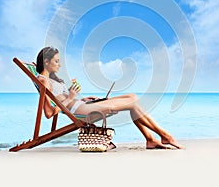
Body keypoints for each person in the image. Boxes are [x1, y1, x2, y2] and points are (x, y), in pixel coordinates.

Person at [36, 46, 184, 150]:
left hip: (81, 104)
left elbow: (61, 98)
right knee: (132, 103)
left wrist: (82, 98)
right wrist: (71, 98)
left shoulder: (52, 79)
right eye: (56, 61)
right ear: (46, 62)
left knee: (132, 96)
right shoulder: (44, 81)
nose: (59, 64)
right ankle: (164, 136)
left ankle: (151, 140)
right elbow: (49, 113)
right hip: (79, 110)